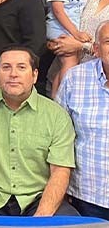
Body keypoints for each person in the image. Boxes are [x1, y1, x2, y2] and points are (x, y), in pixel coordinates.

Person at [0, 46, 78, 217]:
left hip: (37, 197)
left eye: (21, 67)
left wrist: (43, 215)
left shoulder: (56, 114)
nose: (13, 74)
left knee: (70, 222)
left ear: (35, 75)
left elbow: (60, 170)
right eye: (6, 67)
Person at [56, 21, 109, 220]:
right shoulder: (75, 79)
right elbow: (58, 136)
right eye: (108, 41)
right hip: (86, 197)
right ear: (95, 49)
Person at [43, 0, 89, 97]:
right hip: (60, 29)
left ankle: (56, 98)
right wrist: (76, 33)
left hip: (69, 30)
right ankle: (63, 98)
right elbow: (58, 11)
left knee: (66, 64)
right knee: (70, 61)